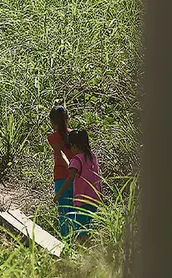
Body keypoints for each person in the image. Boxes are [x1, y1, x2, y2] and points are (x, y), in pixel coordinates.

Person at [53, 129, 103, 245]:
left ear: (75, 145)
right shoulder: (92, 157)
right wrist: (100, 194)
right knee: (89, 226)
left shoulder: (76, 160)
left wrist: (59, 193)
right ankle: (93, 248)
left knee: (81, 229)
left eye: (71, 146)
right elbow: (98, 177)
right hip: (94, 199)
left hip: (82, 200)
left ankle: (83, 254)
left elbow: (70, 179)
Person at [48, 105, 77, 238]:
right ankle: (77, 241)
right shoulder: (75, 135)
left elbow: (60, 155)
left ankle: (66, 241)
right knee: (76, 210)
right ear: (68, 119)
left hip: (61, 178)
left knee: (64, 211)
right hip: (77, 177)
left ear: (53, 123)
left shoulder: (53, 137)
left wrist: (69, 167)